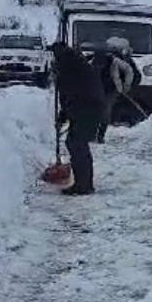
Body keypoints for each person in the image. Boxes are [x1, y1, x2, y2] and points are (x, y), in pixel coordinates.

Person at [52, 41, 104, 195]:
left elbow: (70, 94)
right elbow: (69, 95)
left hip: (86, 109)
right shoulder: (75, 63)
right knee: (77, 144)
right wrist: (64, 115)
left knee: (77, 145)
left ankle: (84, 185)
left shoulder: (70, 67)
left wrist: (64, 115)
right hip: (86, 108)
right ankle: (84, 183)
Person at [93, 37, 135, 143]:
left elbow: (128, 70)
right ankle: (96, 135)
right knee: (99, 112)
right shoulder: (92, 60)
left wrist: (125, 86)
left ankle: (99, 136)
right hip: (98, 90)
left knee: (105, 112)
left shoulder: (113, 61)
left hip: (110, 90)